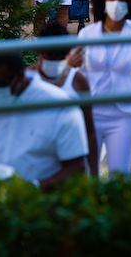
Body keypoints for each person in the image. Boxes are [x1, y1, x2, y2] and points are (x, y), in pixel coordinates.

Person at [0, 54, 88, 188]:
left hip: (43, 194)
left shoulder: (58, 105)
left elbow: (76, 166)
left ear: (21, 75)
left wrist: (35, 188)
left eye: (2, 83)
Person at [78, 0, 131, 173]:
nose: (116, 3)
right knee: (88, 173)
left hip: (123, 115)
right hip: (91, 113)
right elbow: (78, 76)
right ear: (103, 1)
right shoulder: (87, 35)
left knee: (121, 174)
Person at [35, 21, 98, 175]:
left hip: (70, 156)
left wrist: (94, 172)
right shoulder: (28, 78)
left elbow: (90, 130)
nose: (54, 62)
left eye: (59, 57)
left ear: (66, 55)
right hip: (38, 156)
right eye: (50, 56)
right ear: (41, 54)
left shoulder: (78, 81)